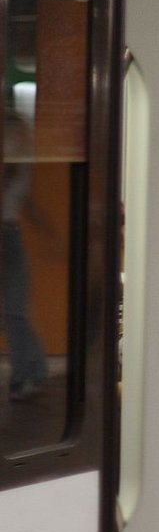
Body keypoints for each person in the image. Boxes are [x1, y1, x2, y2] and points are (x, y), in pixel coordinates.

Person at [3, 108, 47, 401]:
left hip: (8, 235)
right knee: (14, 312)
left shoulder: (18, 165)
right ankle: (31, 372)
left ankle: (30, 373)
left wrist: (48, 233)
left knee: (15, 312)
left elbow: (26, 203)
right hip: (9, 235)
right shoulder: (17, 165)